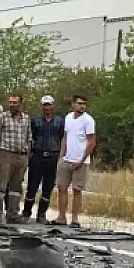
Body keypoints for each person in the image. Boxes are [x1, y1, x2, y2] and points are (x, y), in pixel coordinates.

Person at [0, 95, 32, 224]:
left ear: (20, 104)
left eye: (15, 102)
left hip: (21, 156)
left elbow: (29, 138)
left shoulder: (26, 118)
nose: (12, 105)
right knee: (1, 187)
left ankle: (12, 214)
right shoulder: (2, 117)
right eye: (10, 102)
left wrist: (27, 157)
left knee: (16, 188)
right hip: (5, 154)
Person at [23, 95, 66, 224]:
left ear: (53, 106)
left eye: (49, 105)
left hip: (52, 156)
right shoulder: (35, 120)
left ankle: (41, 214)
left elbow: (62, 138)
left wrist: (60, 156)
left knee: (48, 187)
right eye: (45, 105)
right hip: (37, 156)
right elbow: (31, 138)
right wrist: (29, 156)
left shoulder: (60, 121)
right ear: (41, 106)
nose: (47, 107)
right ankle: (26, 212)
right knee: (32, 186)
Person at [57, 95, 97, 230]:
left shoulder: (88, 120)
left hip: (81, 160)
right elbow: (65, 137)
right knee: (62, 187)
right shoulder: (68, 117)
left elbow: (91, 141)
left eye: (84, 104)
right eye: (79, 103)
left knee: (77, 190)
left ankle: (74, 218)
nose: (82, 106)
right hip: (67, 158)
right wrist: (61, 156)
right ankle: (61, 216)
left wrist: (82, 159)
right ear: (73, 104)